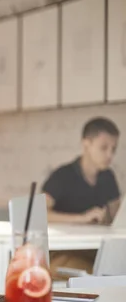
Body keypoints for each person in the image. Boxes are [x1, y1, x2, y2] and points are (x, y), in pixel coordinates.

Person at [42, 117, 121, 274]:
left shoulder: (108, 177)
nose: (109, 155)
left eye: (113, 149)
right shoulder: (62, 175)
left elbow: (116, 216)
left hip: (97, 250)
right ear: (86, 145)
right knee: (98, 274)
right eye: (104, 148)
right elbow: (39, 214)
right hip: (63, 252)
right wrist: (82, 218)